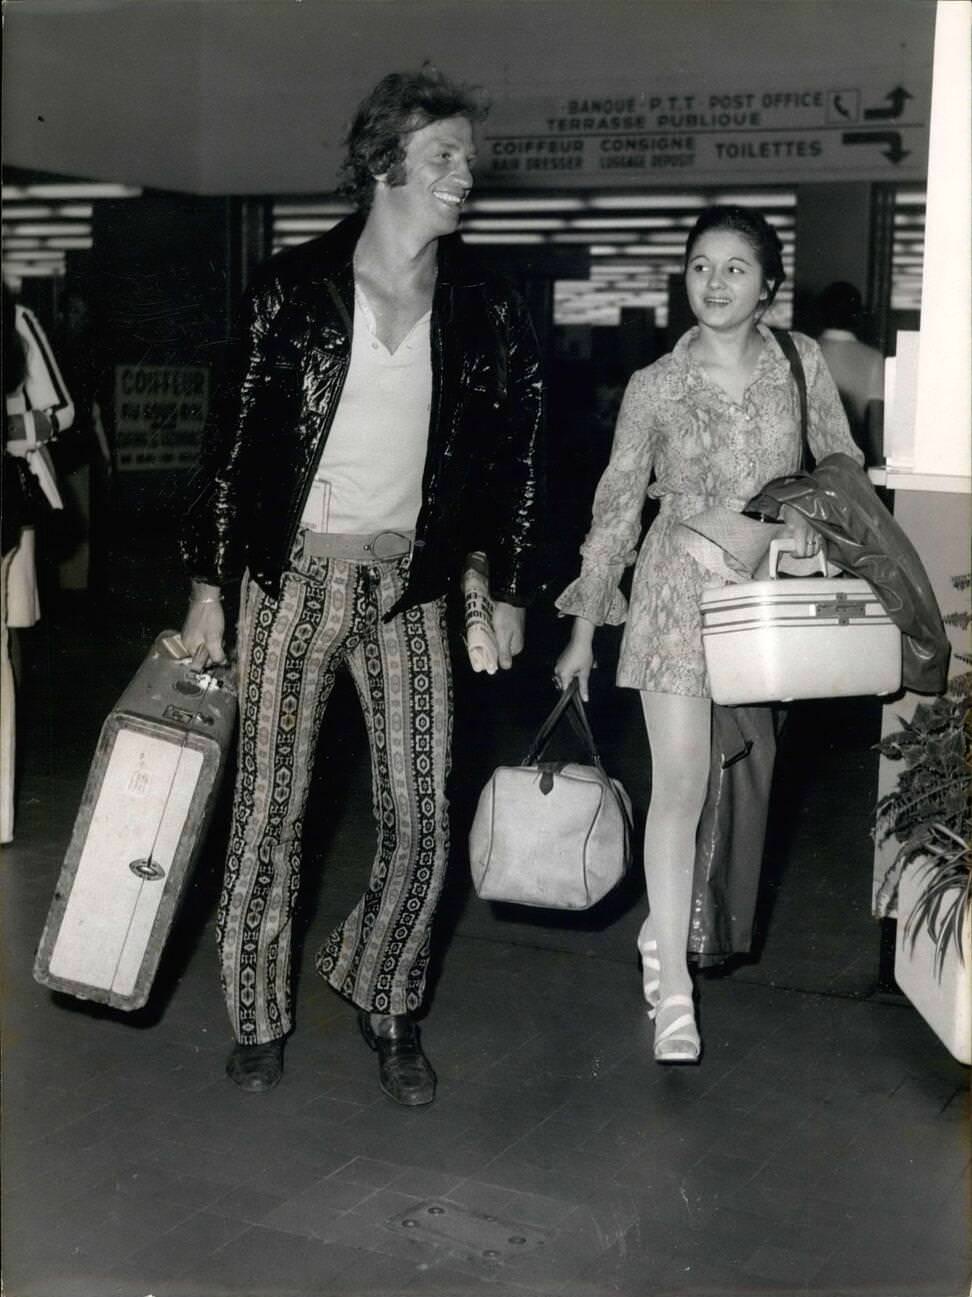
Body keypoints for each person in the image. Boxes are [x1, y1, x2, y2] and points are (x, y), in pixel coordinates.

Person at [179, 67, 544, 1104]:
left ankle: (386, 995)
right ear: (384, 164)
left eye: (468, 158)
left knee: (423, 813)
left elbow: (516, 458)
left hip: (409, 587)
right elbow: (228, 451)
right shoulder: (290, 290)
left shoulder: (485, 303)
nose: (465, 174)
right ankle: (257, 1016)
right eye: (443, 156)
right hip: (288, 579)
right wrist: (207, 588)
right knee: (268, 810)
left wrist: (506, 587)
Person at [553, 206, 863, 1064]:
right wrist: (583, 630)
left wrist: (809, 528)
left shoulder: (801, 362)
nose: (715, 282)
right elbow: (616, 508)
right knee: (682, 784)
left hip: (767, 596)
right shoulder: (655, 384)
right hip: (676, 593)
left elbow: (840, 464)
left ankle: (664, 926)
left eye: (734, 268)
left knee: (747, 769)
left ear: (768, 286)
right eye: (700, 265)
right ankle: (676, 995)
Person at [3, 285, 75, 844]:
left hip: (11, 491)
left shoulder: (16, 318)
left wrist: (11, 430)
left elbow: (61, 413)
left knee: (8, 635)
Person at [815, 280, 885, 465]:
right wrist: (880, 467)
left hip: (808, 458)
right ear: (857, 315)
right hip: (851, 459)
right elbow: (876, 424)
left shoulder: (804, 350)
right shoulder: (873, 358)